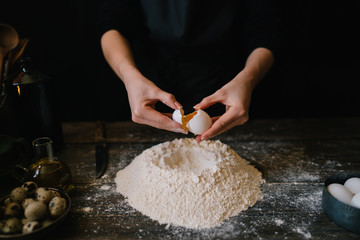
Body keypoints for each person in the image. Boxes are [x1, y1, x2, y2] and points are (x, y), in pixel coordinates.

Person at [98, 0, 280, 142]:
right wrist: (130, 77)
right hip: (152, 86)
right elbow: (112, 22)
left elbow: (266, 29)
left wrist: (247, 80)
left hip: (229, 84)